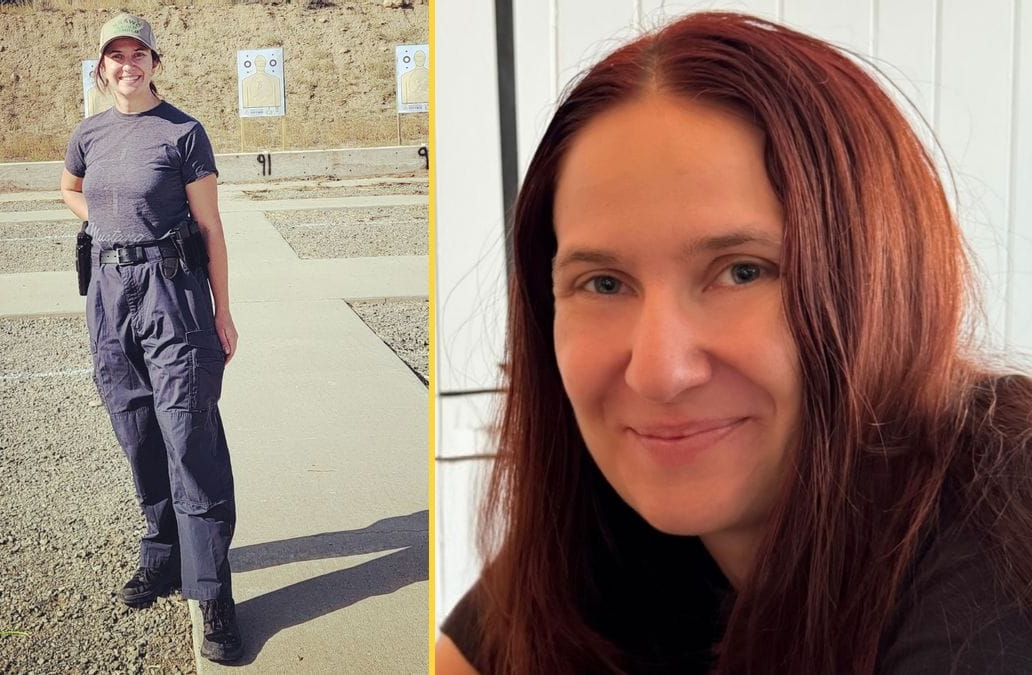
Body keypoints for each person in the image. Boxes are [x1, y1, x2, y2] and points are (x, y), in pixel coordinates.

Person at [436, 11, 1032, 674]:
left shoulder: (1003, 516)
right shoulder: (601, 536)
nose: (659, 371)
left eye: (742, 271)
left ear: (883, 280)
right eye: (603, 282)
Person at [59, 12, 244, 665]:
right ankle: (163, 557)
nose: (128, 65)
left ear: (154, 63)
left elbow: (212, 227)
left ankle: (212, 591)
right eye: (116, 55)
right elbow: (71, 190)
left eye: (139, 54)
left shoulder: (184, 133)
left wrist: (223, 310)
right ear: (102, 66)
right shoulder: (89, 134)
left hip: (174, 293)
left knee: (188, 435)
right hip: (110, 297)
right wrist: (109, 223)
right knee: (136, 429)